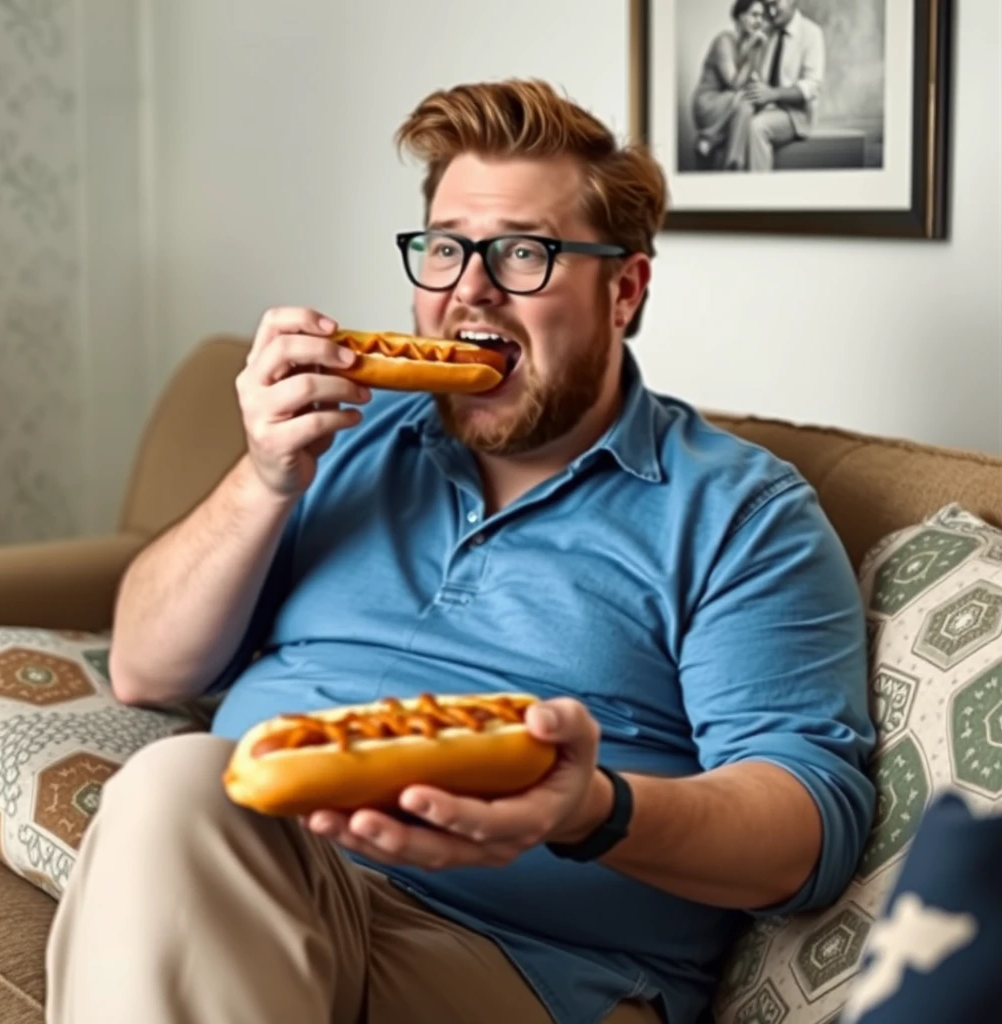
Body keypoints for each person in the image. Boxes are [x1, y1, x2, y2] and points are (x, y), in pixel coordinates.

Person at [44, 78, 875, 1024]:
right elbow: (147, 667)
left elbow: (810, 832)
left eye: (523, 253)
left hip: (529, 968)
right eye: (445, 249)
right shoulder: (349, 434)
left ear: (625, 290)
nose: (468, 289)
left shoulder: (737, 510)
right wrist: (265, 475)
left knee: (178, 788)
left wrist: (588, 807)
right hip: (271, 888)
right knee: (178, 785)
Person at [728, 0, 826, 171]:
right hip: (767, 106)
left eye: (775, 4)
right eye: (767, 6)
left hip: (795, 114)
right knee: (740, 107)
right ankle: (733, 169)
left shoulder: (811, 33)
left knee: (757, 126)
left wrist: (773, 94)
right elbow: (756, 77)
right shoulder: (768, 32)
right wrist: (751, 48)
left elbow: (812, 86)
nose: (770, 12)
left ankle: (759, 190)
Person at [690, 0, 771, 169]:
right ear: (740, 16)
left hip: (732, 102)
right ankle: (715, 142)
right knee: (745, 101)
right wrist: (752, 53)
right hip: (709, 104)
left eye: (762, 16)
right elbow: (734, 83)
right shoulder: (724, 40)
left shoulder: (748, 45)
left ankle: (731, 162)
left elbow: (757, 83)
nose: (759, 21)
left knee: (747, 106)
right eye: (754, 15)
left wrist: (757, 53)